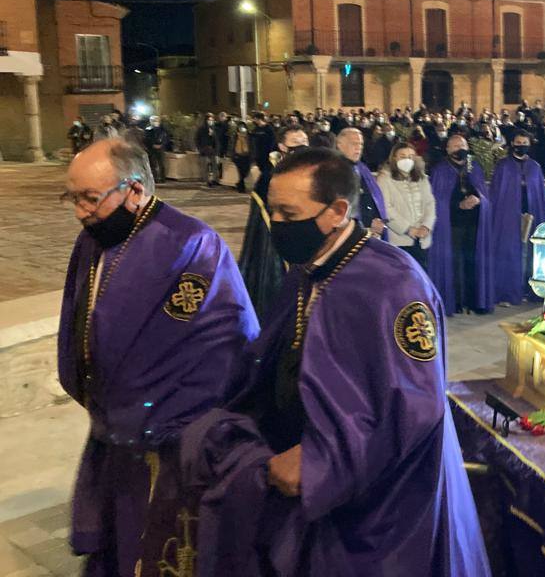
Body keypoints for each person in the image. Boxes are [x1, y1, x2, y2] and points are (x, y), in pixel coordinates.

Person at [183, 148, 490, 576]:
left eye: (289, 214)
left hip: (378, 503)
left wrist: (319, 463)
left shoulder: (394, 285)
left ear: (338, 212)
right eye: (273, 211)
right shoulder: (307, 270)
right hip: (299, 479)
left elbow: (415, 406)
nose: (276, 224)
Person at [57, 138, 258, 575]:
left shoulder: (192, 244)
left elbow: (218, 341)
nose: (80, 211)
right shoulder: (93, 240)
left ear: (134, 190)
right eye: (72, 198)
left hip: (169, 441)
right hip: (113, 427)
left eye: (90, 198)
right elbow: (79, 317)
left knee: (158, 544)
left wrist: (148, 409)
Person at [238, 127, 308, 320]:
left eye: (304, 141)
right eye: (296, 142)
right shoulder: (271, 177)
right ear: (282, 147)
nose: (302, 147)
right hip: (279, 246)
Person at [427, 134, 494, 315]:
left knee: (472, 260)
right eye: (455, 146)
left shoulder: (475, 167)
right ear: (448, 149)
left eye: (463, 145)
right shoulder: (440, 170)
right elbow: (436, 199)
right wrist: (458, 204)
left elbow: (484, 193)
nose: (460, 149)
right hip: (452, 224)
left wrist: (479, 199)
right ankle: (455, 301)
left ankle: (474, 300)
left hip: (474, 223)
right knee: (454, 262)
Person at [491, 132, 545, 306]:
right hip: (508, 216)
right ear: (512, 143)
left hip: (532, 214)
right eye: (518, 142)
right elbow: (496, 193)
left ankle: (529, 290)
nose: (521, 145)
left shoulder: (535, 167)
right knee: (509, 253)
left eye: (525, 142)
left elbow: (539, 194)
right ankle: (507, 291)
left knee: (531, 253)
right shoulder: (503, 166)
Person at [377, 143, 436, 268]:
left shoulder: (422, 178)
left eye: (410, 156)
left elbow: (430, 203)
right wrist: (408, 229)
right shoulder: (384, 178)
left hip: (422, 239)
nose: (407, 160)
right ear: (394, 158)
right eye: (402, 156)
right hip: (399, 240)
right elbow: (386, 208)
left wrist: (426, 226)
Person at [336, 127, 388, 240]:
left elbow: (374, 197)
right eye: (354, 143)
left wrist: (379, 219)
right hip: (350, 235)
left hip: (373, 233)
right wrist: (365, 227)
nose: (358, 147)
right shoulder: (332, 171)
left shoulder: (362, 168)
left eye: (360, 144)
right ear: (340, 145)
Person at [195, 113, 221, 187]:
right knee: (205, 167)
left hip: (212, 150)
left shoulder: (214, 129)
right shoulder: (201, 129)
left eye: (212, 120)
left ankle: (215, 180)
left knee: (215, 166)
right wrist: (200, 148)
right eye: (209, 120)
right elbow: (197, 139)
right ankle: (208, 181)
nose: (211, 121)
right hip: (204, 150)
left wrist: (216, 150)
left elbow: (216, 141)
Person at [144, 115, 170, 184]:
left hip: (161, 149)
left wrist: (162, 145)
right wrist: (152, 145)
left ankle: (162, 178)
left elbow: (166, 138)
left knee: (162, 164)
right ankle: (155, 178)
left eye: (157, 120)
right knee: (153, 164)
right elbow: (146, 139)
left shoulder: (163, 130)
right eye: (153, 120)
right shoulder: (148, 130)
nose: (155, 122)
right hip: (152, 149)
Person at [231, 122, 252, 192]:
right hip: (238, 155)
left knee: (246, 171)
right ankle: (241, 188)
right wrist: (232, 155)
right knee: (240, 172)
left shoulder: (249, 135)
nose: (242, 128)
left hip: (247, 156)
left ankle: (239, 183)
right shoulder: (235, 136)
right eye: (240, 127)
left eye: (243, 126)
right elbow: (232, 145)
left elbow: (252, 145)